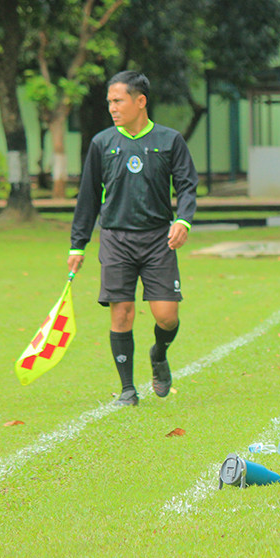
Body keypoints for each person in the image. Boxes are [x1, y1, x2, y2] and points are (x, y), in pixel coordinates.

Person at [68, 71, 198, 406]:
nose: (112, 107)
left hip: (159, 240)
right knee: (121, 311)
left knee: (167, 316)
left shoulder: (170, 140)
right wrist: (77, 244)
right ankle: (127, 389)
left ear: (140, 101)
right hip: (115, 239)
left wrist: (182, 220)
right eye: (109, 102)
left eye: (118, 100)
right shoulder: (102, 143)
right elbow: (87, 198)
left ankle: (159, 353)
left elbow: (186, 187)